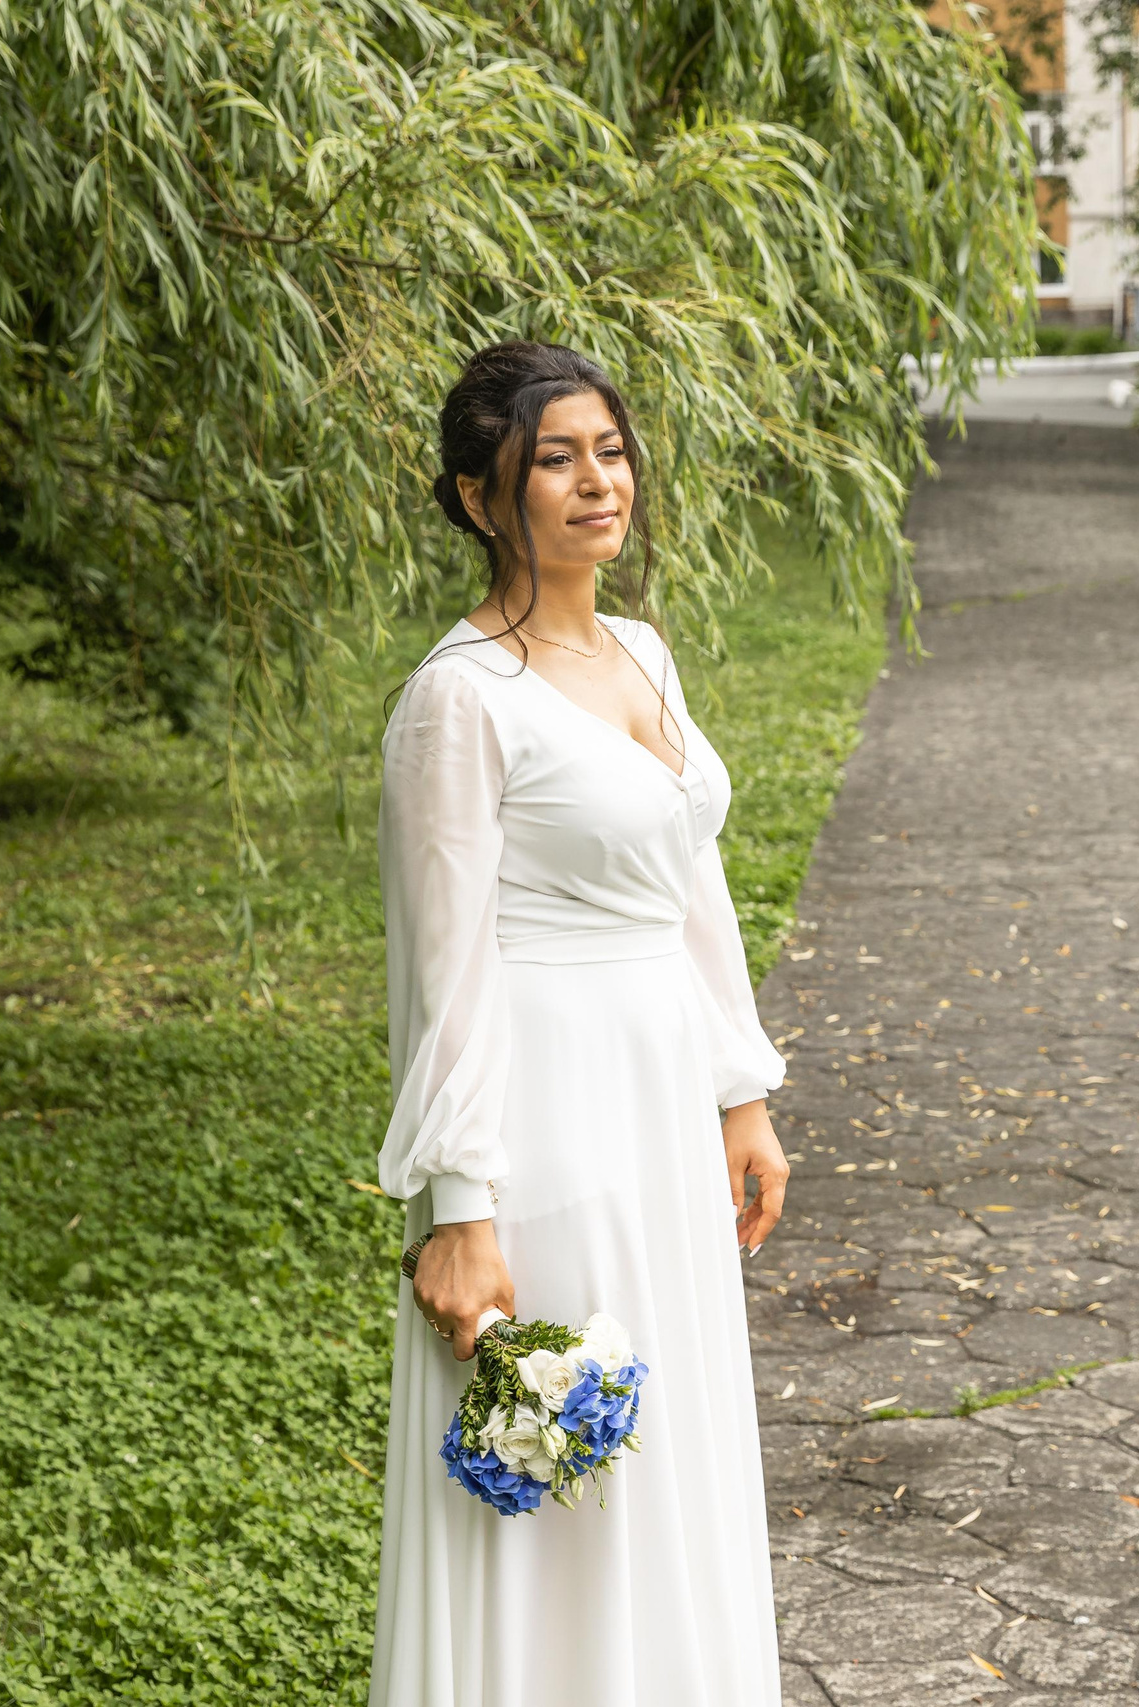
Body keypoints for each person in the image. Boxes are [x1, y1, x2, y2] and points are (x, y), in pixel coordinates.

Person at [367, 340, 792, 1706]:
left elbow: (689, 881)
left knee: (669, 1451)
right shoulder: (460, 698)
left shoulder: (642, 649)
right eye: (554, 458)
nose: (595, 480)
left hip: (661, 1096)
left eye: (609, 449)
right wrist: (459, 1203)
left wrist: (740, 1088)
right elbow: (446, 966)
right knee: (557, 1462)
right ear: (483, 499)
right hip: (548, 1110)